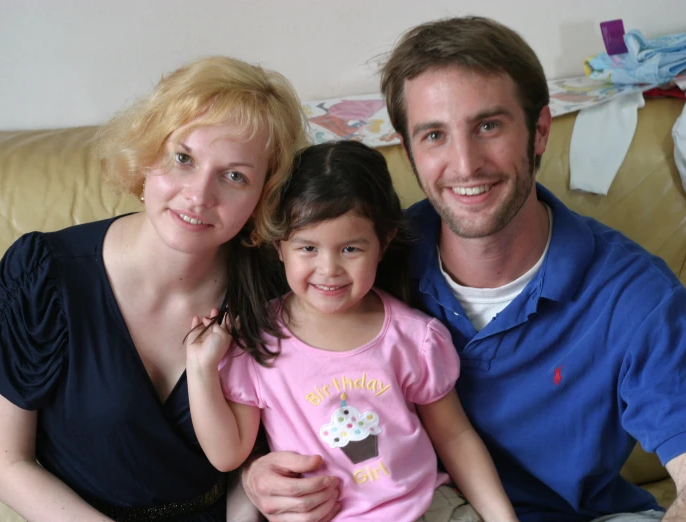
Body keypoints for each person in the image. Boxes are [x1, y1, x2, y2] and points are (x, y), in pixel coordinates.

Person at [242, 16, 686, 522]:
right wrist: (255, 476)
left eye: (488, 126)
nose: (465, 163)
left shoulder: (636, 296)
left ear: (539, 131)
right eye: (434, 135)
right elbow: (270, 388)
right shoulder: (359, 258)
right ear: (408, 152)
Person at [0, 55, 309, 522]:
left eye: (234, 176)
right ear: (148, 152)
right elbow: (5, 462)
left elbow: (264, 451)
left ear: (261, 196)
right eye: (183, 158)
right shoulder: (43, 276)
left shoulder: (277, 287)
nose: (199, 195)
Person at [186, 140, 518, 521]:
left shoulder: (415, 338)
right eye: (308, 248)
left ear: (383, 242)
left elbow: (455, 436)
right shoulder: (260, 341)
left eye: (350, 250)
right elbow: (228, 455)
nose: (329, 269)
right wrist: (200, 369)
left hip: (426, 507)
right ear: (279, 246)